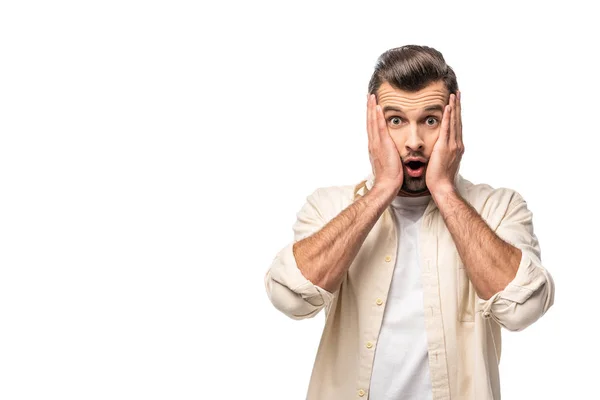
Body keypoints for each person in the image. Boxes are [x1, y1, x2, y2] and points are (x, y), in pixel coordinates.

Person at [263, 45, 554, 400]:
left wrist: (444, 189)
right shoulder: (329, 207)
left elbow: (522, 310)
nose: (413, 142)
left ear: (454, 123)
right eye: (395, 121)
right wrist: (381, 189)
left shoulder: (499, 208)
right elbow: (290, 297)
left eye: (430, 120)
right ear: (373, 126)